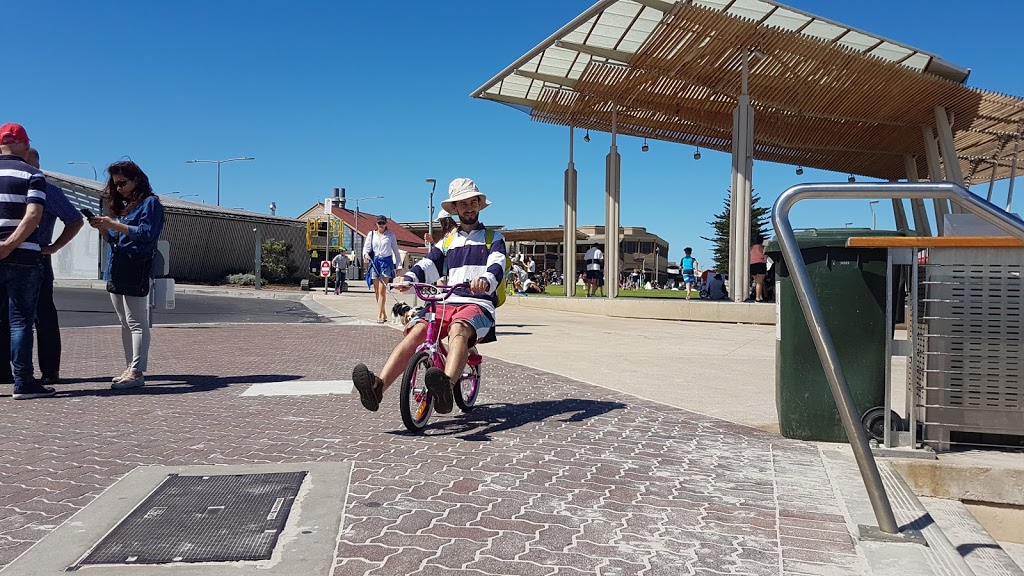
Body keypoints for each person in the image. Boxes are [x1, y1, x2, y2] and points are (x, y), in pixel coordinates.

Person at [351, 177, 506, 415]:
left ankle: (445, 389)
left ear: (479, 204)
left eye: (472, 202)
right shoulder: (448, 241)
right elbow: (428, 264)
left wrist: (485, 280)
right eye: (462, 204)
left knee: (459, 330)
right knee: (417, 333)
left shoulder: (493, 238)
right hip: (447, 300)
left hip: (477, 303)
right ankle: (376, 388)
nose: (468, 208)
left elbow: (497, 264)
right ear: (454, 209)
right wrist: (408, 278)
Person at [0, 147, 84, 386]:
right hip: (21, 255)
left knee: (41, 316)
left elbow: (74, 220)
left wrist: (53, 247)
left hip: (35, 257)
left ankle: (48, 370)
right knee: (10, 318)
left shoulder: (48, 189)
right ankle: (10, 373)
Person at [88, 161, 165, 389]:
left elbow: (145, 234)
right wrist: (103, 227)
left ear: (136, 180)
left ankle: (137, 372)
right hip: (117, 266)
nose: (119, 188)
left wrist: (114, 224)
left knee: (137, 322)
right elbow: (113, 239)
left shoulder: (150, 204)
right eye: (115, 184)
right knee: (124, 322)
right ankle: (129, 367)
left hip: (136, 266)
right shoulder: (124, 206)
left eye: (123, 183)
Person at [0, 123, 50, 399]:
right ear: (22, 144)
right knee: (20, 321)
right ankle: (24, 382)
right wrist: (10, 245)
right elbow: (33, 215)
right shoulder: (33, 174)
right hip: (24, 255)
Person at [363, 214, 400, 323]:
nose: (381, 225)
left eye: (383, 223)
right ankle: (383, 313)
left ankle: (379, 315)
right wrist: (365, 255)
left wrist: (398, 266)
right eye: (379, 223)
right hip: (374, 262)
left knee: (382, 290)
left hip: (386, 263)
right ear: (376, 224)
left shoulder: (390, 235)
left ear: (386, 224)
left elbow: (396, 252)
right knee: (376, 291)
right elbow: (366, 248)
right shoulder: (371, 234)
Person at [750, 235, 768, 302]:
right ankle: (758, 297)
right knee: (759, 282)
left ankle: (760, 296)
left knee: (757, 281)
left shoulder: (751, 248)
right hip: (760, 264)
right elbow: (765, 257)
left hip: (752, 265)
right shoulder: (762, 248)